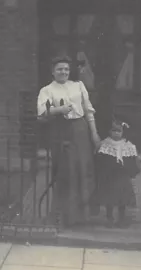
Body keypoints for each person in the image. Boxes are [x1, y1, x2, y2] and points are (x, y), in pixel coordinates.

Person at [37, 55, 101, 227]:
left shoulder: (78, 86)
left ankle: (83, 216)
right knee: (66, 172)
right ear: (53, 72)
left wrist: (94, 133)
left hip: (80, 131)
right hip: (61, 131)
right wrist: (59, 110)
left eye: (66, 69)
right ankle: (64, 216)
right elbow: (41, 114)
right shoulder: (47, 90)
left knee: (83, 169)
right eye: (59, 69)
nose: (63, 72)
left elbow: (88, 110)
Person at [92, 119, 140, 228]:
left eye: (119, 131)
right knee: (110, 198)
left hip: (122, 176)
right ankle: (109, 218)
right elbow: (100, 159)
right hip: (110, 176)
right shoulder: (105, 144)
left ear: (123, 132)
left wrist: (132, 171)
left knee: (122, 198)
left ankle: (122, 219)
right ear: (110, 131)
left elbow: (132, 160)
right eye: (114, 131)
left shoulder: (128, 145)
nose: (116, 133)